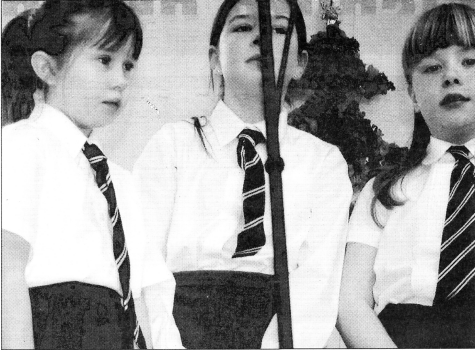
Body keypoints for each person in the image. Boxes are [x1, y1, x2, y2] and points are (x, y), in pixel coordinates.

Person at [133, 0, 352, 347]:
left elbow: (316, 282)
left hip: (279, 328)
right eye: (242, 27)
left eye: (279, 29)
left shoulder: (323, 163)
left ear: (299, 63)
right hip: (180, 326)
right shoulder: (172, 145)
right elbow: (145, 265)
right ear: (213, 59)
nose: (261, 38)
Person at [1, 1, 181, 348]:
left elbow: (143, 299)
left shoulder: (121, 181)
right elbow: (6, 272)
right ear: (47, 69)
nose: (121, 80)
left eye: (128, 66)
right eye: (104, 60)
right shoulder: (20, 146)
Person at [337, 3, 475, 348]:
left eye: (469, 61)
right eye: (431, 67)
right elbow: (350, 302)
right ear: (412, 95)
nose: (451, 76)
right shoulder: (383, 191)